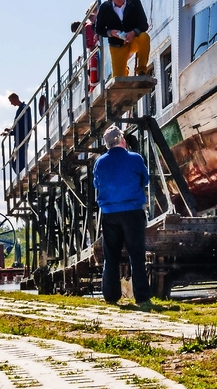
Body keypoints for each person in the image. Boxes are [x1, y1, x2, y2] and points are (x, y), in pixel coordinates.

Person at [93, 125, 152, 308]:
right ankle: (142, 297)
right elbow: (145, 179)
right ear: (122, 140)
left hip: (110, 213)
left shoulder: (100, 162)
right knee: (136, 254)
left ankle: (111, 295)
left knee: (111, 255)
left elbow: (97, 182)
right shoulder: (135, 159)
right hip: (132, 211)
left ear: (106, 144)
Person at [95, 0, 151, 77]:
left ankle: (142, 70)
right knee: (119, 77)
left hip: (134, 40)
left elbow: (144, 24)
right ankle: (125, 70)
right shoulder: (104, 8)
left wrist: (133, 32)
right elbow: (98, 29)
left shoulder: (135, 3)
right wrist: (110, 33)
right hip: (117, 45)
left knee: (144, 37)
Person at [7, 93, 32, 173]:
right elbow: (18, 126)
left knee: (20, 158)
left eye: (11, 101)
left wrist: (13, 131)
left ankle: (23, 174)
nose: (11, 103)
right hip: (19, 137)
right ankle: (22, 174)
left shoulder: (25, 108)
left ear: (15, 99)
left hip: (23, 137)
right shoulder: (20, 109)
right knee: (15, 159)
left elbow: (24, 125)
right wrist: (10, 132)